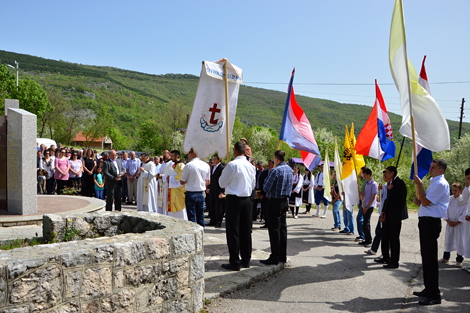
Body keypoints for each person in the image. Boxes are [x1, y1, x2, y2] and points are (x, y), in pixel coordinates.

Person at [412, 159, 450, 305]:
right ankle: (429, 289)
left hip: (431, 222)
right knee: (426, 257)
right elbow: (424, 201)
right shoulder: (435, 181)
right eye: (430, 167)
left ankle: (434, 294)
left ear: (441, 170)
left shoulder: (440, 183)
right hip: (426, 221)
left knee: (430, 259)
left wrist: (420, 185)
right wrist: (419, 201)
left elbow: (427, 202)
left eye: (433, 168)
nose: (430, 169)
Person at [219, 141, 256, 271]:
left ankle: (234, 261)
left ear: (235, 151)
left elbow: (221, 183)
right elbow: (252, 185)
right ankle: (246, 259)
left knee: (233, 231)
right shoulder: (251, 166)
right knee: (246, 231)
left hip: (234, 199)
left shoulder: (232, 165)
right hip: (246, 199)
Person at [262, 150, 293, 265]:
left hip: (274, 201)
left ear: (276, 159)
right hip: (284, 201)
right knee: (282, 229)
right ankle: (282, 255)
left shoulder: (275, 170)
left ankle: (274, 256)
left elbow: (265, 187)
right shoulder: (290, 170)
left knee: (274, 230)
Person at [377, 166, 408, 268]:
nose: (385, 174)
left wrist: (392, 190)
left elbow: (401, 200)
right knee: (385, 237)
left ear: (392, 173)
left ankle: (394, 262)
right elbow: (387, 200)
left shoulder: (400, 184)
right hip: (388, 215)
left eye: (387, 172)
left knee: (394, 239)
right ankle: (386, 257)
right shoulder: (389, 184)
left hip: (395, 216)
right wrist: (383, 212)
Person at [439, 179, 469, 267]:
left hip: (459, 223)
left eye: (456, 190)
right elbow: (446, 209)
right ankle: (446, 257)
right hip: (450, 222)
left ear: (461, 190)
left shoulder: (464, 200)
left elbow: (465, 212)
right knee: (448, 240)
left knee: (460, 241)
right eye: (453, 190)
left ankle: (459, 260)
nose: (454, 192)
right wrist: (447, 220)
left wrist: (457, 221)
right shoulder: (450, 199)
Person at [180, 149, 210, 226]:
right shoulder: (206, 165)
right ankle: (201, 233)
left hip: (191, 192)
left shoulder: (189, 165)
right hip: (201, 192)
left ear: (193, 153)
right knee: (201, 216)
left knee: (191, 217)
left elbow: (182, 181)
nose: (188, 155)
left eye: (189, 153)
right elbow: (208, 182)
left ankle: (193, 234)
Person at [358, 167, 377, 248]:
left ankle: (369, 240)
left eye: (365, 175)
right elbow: (366, 194)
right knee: (364, 223)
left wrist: (367, 207)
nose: (364, 177)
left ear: (369, 175)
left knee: (366, 223)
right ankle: (366, 239)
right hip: (364, 205)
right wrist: (361, 194)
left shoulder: (374, 184)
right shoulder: (366, 183)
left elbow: (373, 197)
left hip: (369, 206)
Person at [167, 150, 187, 219]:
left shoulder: (181, 165)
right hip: (172, 190)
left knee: (179, 209)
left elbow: (181, 178)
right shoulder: (173, 165)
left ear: (177, 156)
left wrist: (170, 178)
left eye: (172, 156)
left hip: (179, 192)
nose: (171, 158)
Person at [207, 154, 225, 227]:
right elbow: (211, 179)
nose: (213, 160)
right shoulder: (212, 168)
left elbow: (222, 180)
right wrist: (209, 187)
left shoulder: (221, 168)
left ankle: (218, 221)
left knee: (219, 207)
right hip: (212, 190)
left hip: (218, 190)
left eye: (215, 159)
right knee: (211, 205)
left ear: (219, 159)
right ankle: (212, 220)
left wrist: (222, 191)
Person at [157, 149, 172, 215]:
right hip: (161, 183)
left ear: (169, 154)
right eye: (163, 153)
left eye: (165, 153)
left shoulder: (171, 163)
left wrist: (162, 176)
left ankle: (166, 213)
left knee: (165, 200)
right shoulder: (163, 163)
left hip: (166, 184)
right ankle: (161, 213)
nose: (163, 155)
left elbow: (170, 174)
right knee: (161, 200)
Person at [356, 167, 367, 242]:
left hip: (364, 202)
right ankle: (361, 235)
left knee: (360, 219)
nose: (360, 173)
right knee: (360, 219)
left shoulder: (367, 181)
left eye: (362, 172)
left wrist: (362, 195)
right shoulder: (363, 181)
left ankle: (363, 235)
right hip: (361, 201)